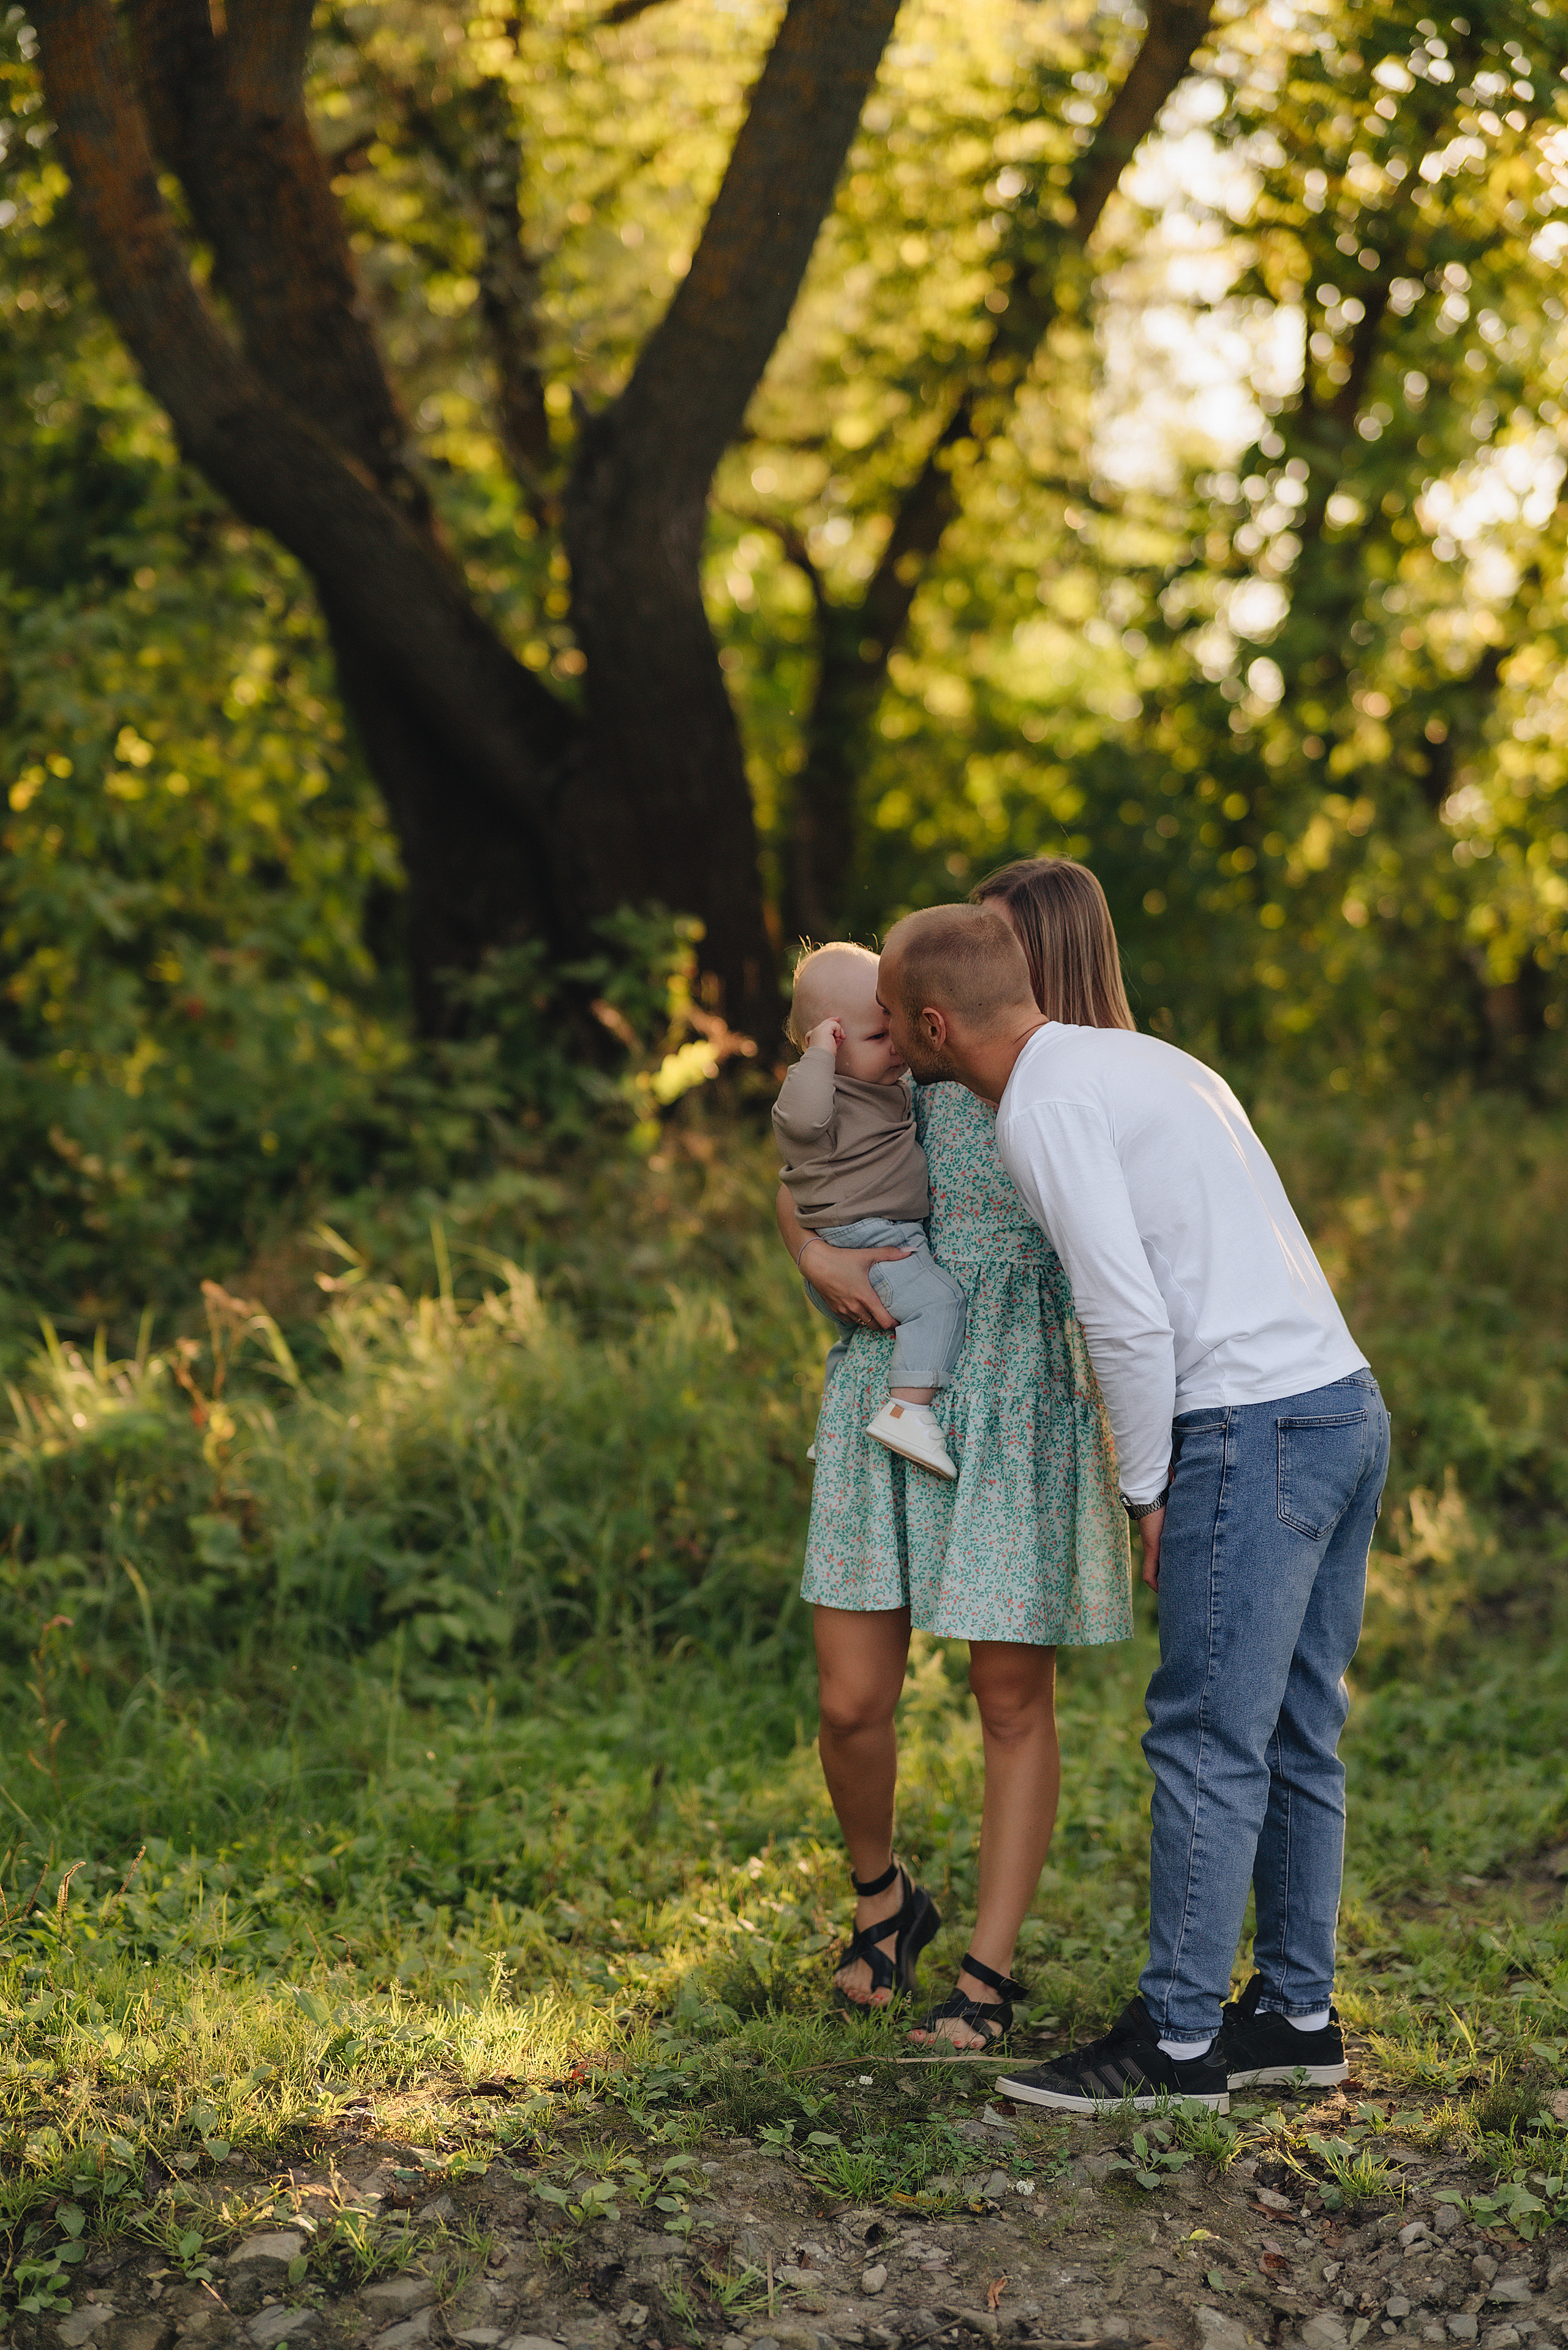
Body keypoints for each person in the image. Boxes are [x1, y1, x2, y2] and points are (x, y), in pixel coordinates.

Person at [878, 865, 1389, 2113]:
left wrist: (1146, 1485)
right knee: (1294, 1726)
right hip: (1339, 1403)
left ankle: (1174, 2043)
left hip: (1250, 1425)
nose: (884, 1041)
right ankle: (1295, 2015)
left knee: (1206, 1735)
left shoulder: (1040, 1105)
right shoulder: (1146, 1061)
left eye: (891, 1023)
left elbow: (1122, 1312)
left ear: (935, 1028)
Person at [778, 911, 1133, 2052]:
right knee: (850, 1700)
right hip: (891, 1381)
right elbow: (801, 1162)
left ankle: (987, 1973)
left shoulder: (1092, 1089)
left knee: (1010, 1700)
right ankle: (884, 1896)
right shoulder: (917, 1069)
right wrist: (812, 1250)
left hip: (1020, 1398)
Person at [775, 943, 968, 1480]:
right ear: (831, 1041)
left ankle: (831, 1429)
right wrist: (817, 1056)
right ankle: (907, 1412)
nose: (896, 1047)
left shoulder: (876, 1084)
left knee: (850, 1344)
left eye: (894, 1029)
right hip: (868, 1239)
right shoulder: (819, 1093)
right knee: (941, 1302)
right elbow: (799, 1122)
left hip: (863, 1238)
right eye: (878, 1038)